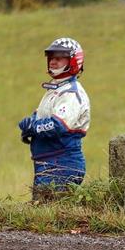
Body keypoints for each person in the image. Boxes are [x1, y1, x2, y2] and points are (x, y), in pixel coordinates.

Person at [18, 37, 91, 201]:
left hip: (62, 163)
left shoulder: (71, 93)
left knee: (52, 215)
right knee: (42, 213)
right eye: (51, 58)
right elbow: (43, 118)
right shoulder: (55, 89)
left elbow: (59, 126)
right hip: (47, 161)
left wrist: (34, 127)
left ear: (73, 60)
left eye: (59, 58)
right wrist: (29, 127)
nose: (53, 61)